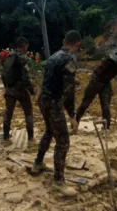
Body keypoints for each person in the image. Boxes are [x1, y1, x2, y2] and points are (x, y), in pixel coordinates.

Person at [31, 30, 81, 197]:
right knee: (63, 141)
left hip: (43, 100)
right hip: (53, 102)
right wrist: (72, 116)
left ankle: (38, 163)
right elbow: (69, 90)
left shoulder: (52, 57)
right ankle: (58, 181)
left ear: (63, 40)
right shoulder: (70, 59)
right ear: (77, 45)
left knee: (49, 131)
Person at [75, 44, 117, 129]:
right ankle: (75, 122)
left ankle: (106, 128)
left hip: (106, 83)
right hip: (96, 80)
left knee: (106, 107)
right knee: (85, 104)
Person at [2, 37, 35, 143]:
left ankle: (6, 137)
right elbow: (26, 77)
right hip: (21, 90)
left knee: (8, 113)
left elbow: (3, 73)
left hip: (10, 90)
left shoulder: (9, 55)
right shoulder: (22, 58)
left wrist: (6, 87)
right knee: (28, 112)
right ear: (25, 46)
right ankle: (30, 138)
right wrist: (32, 91)